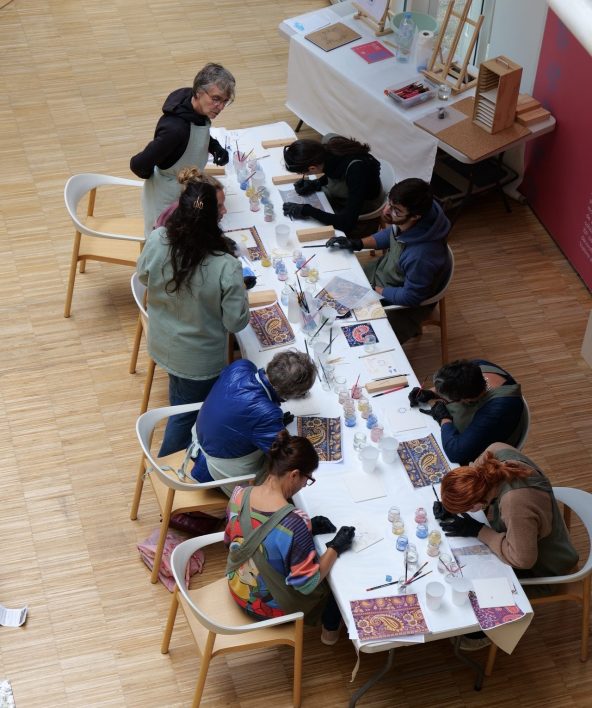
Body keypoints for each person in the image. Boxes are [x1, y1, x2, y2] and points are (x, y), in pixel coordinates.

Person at [136, 174, 249, 456]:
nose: (224, 212)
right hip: (197, 360)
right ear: (214, 219)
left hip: (161, 340)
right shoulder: (226, 265)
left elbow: (144, 276)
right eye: (221, 209)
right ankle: (165, 469)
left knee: (181, 398)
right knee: (185, 415)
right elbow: (235, 322)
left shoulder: (159, 238)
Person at [225, 430, 356, 645]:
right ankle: (330, 635)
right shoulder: (295, 521)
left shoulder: (240, 493)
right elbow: (306, 583)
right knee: (337, 582)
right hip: (265, 607)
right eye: (308, 478)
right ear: (294, 474)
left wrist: (309, 529)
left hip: (237, 585)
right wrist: (335, 547)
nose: (305, 484)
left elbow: (232, 541)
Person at [439, 443, 579, 592]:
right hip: (531, 530)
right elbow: (472, 476)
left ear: (477, 505)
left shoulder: (515, 503)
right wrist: (450, 502)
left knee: (471, 584)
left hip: (546, 565)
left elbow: (523, 560)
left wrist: (480, 531)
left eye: (466, 509)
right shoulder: (495, 451)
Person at [326, 178, 451, 343]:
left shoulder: (421, 256)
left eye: (396, 210)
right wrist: (357, 243)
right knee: (326, 302)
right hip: (381, 276)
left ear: (415, 216)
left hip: (400, 304)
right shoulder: (412, 218)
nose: (386, 211)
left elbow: (410, 297)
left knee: (346, 336)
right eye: (389, 203)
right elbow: (391, 234)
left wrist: (375, 289)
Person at [188, 350, 318, 491]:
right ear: (291, 393)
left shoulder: (241, 366)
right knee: (288, 476)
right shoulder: (267, 414)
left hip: (199, 438)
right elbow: (287, 458)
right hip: (216, 470)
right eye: (302, 393)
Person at [130, 62, 235, 235]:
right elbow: (138, 164)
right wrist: (159, 179)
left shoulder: (197, 110)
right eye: (216, 99)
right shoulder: (175, 130)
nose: (221, 107)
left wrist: (215, 148)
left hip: (186, 192)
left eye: (225, 101)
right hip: (166, 200)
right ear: (199, 92)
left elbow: (199, 134)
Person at [409, 359, 526, 465]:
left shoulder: (498, 410)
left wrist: (443, 417)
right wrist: (431, 392)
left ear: (466, 400)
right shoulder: (473, 368)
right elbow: (454, 382)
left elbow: (456, 452)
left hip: (490, 455)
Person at [281, 134, 385, 234]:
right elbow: (334, 171)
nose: (303, 175)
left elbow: (346, 224)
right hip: (355, 188)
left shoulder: (356, 171)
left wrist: (307, 210)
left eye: (303, 173)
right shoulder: (328, 145)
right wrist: (315, 183)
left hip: (364, 207)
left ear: (312, 168)